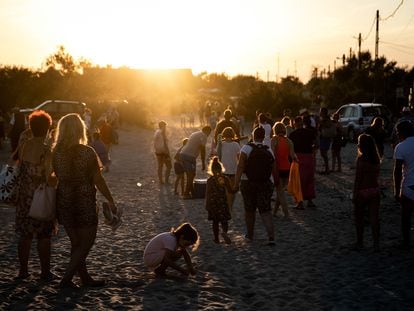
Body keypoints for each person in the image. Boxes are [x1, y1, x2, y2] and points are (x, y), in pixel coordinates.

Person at [52, 113, 117, 289]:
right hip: (84, 200)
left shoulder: (56, 153)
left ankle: (85, 277)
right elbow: (98, 179)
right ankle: (65, 280)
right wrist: (110, 200)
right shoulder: (87, 152)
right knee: (86, 243)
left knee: (77, 244)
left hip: (64, 199)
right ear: (80, 129)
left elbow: (53, 178)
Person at [15, 110, 55, 280]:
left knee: (25, 235)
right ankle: (45, 272)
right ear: (47, 128)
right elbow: (48, 177)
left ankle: (23, 271)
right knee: (44, 236)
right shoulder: (47, 151)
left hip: (24, 197)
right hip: (40, 199)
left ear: (31, 127)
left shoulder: (25, 146)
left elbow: (19, 168)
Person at [234, 126, 275, 245]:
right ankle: (271, 237)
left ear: (253, 135)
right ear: (263, 137)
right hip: (265, 182)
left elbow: (240, 167)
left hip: (248, 183)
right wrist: (275, 183)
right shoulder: (268, 150)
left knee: (249, 210)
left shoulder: (246, 148)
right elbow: (273, 168)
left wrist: (236, 183)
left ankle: (250, 235)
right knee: (266, 210)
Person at [352, 134, 381, 252]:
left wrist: (354, 193)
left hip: (362, 191)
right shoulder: (376, 159)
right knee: (374, 219)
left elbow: (358, 178)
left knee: (359, 218)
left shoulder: (361, 160)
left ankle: (360, 243)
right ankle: (376, 244)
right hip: (374, 190)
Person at [393, 120, 414, 250]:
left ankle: (406, 242)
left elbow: (397, 172)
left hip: (409, 185)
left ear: (401, 132)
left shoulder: (400, 147)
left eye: (397, 132)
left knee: (405, 218)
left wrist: (396, 191)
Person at [289, 116, 318, 209]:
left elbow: (290, 149)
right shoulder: (310, 132)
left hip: (298, 158)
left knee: (298, 180)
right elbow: (316, 143)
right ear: (302, 123)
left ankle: (300, 202)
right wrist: (313, 152)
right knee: (309, 180)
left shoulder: (292, 134)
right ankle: (310, 201)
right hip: (309, 157)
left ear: (294, 124)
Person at [271, 122, 298, 218]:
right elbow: (292, 155)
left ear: (275, 130)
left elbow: (272, 155)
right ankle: (274, 212)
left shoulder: (274, 140)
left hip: (278, 169)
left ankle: (286, 214)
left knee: (280, 193)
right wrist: (297, 162)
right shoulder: (289, 141)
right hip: (287, 168)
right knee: (280, 191)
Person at [205, 157, 234, 244]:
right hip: (223, 202)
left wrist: (207, 204)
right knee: (224, 220)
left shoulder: (210, 180)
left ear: (212, 170)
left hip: (213, 203)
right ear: (221, 168)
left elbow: (207, 193)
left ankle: (216, 238)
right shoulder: (225, 178)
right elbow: (230, 190)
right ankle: (224, 232)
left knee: (215, 221)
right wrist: (236, 187)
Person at [180, 126, 212, 199]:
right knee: (190, 176)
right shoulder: (204, 136)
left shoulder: (195, 133)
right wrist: (203, 163)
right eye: (209, 133)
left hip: (184, 155)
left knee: (192, 175)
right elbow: (202, 150)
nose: (208, 135)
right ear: (207, 131)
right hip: (189, 156)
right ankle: (186, 194)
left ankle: (193, 192)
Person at [219, 127, 240, 213]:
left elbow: (217, 154)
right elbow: (239, 158)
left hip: (224, 171)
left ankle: (226, 207)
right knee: (232, 190)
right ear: (232, 134)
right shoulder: (236, 145)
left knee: (224, 190)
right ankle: (230, 207)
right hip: (233, 171)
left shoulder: (221, 144)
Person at [318, 107, 335, 175]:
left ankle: (327, 169)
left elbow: (328, 125)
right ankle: (326, 169)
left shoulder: (327, 119)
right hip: (323, 137)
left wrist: (321, 123)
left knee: (324, 153)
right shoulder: (323, 119)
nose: (320, 113)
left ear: (324, 112)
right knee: (323, 153)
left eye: (321, 111)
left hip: (325, 138)